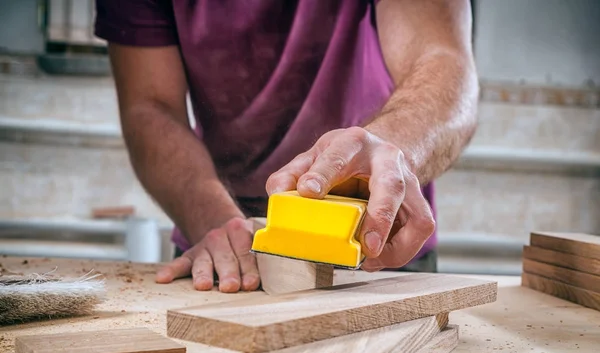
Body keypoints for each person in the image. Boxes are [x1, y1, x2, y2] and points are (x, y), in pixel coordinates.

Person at [94, 0, 478, 293]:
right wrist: (218, 223)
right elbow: (151, 107)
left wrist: (391, 157)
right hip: (218, 242)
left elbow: (442, 60)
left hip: (377, 235)